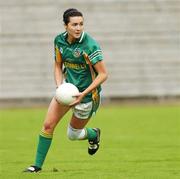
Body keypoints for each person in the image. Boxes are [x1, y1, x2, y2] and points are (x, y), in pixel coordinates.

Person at [24, 8, 108, 173]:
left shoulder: (90, 45)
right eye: (74, 24)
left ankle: (93, 135)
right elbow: (57, 65)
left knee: (73, 135)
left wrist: (83, 93)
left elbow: (103, 74)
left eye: (81, 24)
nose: (78, 28)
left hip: (86, 97)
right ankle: (36, 166)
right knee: (48, 125)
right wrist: (59, 87)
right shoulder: (59, 41)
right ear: (65, 26)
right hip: (67, 91)